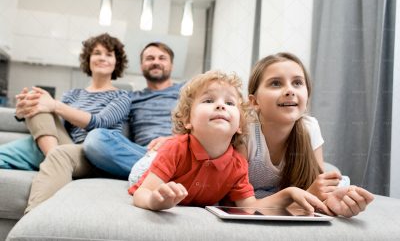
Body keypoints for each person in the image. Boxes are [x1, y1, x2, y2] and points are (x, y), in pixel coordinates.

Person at [130, 71, 331, 213]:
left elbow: (250, 207)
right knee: (149, 160)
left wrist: (289, 194)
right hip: (146, 169)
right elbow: (142, 192)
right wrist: (154, 201)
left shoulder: (238, 165)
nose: (220, 106)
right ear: (188, 120)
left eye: (229, 103)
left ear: (240, 125)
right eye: (209, 101)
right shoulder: (175, 148)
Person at [1, 33, 131, 212]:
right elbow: (53, 125)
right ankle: (54, 158)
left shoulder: (121, 96)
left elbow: (100, 122)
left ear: (117, 62)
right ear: (88, 59)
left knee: (46, 107)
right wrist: (24, 111)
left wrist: (54, 104)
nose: (102, 57)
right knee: (37, 98)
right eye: (97, 53)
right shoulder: (73, 94)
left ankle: (34, 220)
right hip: (66, 146)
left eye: (109, 54)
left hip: (93, 154)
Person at [245, 52, 374, 217]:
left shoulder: (310, 127)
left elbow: (316, 187)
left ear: (307, 98)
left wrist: (331, 204)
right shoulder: (245, 135)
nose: (290, 90)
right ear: (255, 101)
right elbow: (239, 203)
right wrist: (307, 196)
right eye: (276, 83)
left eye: (297, 83)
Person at [83, 42, 184, 179]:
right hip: (143, 154)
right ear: (142, 66)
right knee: (95, 140)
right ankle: (165, 172)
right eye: (149, 58)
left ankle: (156, 172)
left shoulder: (186, 91)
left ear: (171, 65)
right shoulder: (130, 98)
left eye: (162, 58)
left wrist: (175, 140)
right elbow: (102, 118)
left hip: (180, 150)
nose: (156, 62)